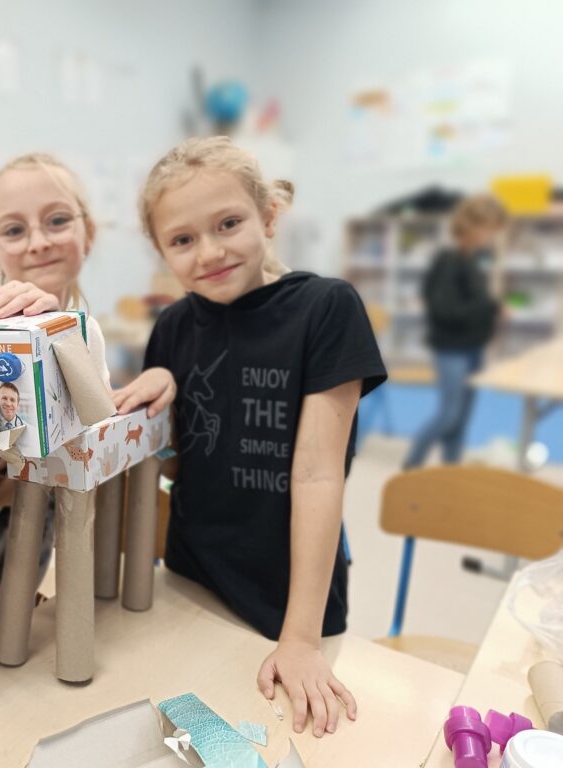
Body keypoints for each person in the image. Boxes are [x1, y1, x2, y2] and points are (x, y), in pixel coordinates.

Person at [114, 136, 386, 738]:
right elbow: (178, 467)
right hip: (189, 579)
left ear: (268, 216)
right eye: (182, 240)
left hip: (292, 603)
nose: (209, 252)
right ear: (161, 251)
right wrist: (162, 401)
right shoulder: (173, 326)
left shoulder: (326, 307)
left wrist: (301, 640)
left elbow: (319, 474)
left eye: (228, 224)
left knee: (290, 736)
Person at [0, 153, 174, 662]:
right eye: (14, 230)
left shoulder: (85, 331)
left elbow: (90, 444)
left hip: (24, 609)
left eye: (58, 220)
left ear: (89, 233)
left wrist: (158, 380)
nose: (39, 241)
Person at [403, 194, 507, 469]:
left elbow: (473, 299)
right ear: (473, 225)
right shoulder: (449, 260)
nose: (491, 236)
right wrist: (486, 307)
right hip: (452, 349)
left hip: (472, 347)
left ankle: (450, 473)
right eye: (490, 229)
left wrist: (493, 306)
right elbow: (445, 310)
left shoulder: (471, 259)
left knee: (461, 419)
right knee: (449, 414)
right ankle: (411, 466)